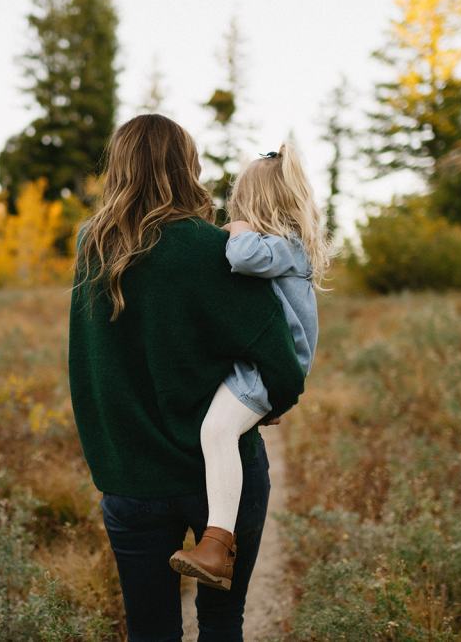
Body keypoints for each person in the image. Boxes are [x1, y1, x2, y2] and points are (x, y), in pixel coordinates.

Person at [68, 114, 306, 641]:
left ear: (119, 168)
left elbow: (87, 366)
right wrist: (263, 407)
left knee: (150, 630)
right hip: (220, 476)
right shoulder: (208, 247)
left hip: (130, 477)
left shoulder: (92, 245)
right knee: (222, 624)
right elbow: (282, 360)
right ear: (186, 167)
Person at [169, 144, 329, 592]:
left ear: (255, 203)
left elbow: (240, 256)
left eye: (239, 202)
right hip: (257, 364)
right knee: (218, 429)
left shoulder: (284, 247)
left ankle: (217, 545)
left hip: (268, 369)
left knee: (216, 432)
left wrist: (236, 227)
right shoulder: (281, 248)